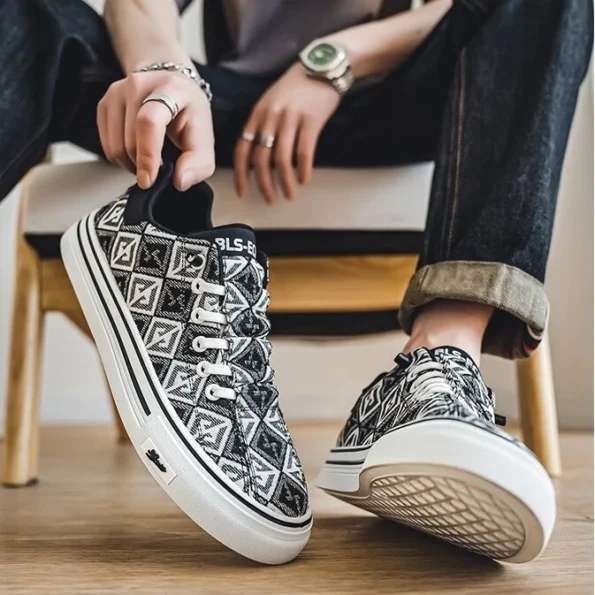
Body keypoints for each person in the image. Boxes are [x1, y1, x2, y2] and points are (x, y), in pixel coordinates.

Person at [1, 0, 592, 564]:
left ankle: (435, 364)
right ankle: (159, 242)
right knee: (27, 15)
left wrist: (333, 61)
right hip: (223, 110)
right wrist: (168, 73)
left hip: (392, 103)